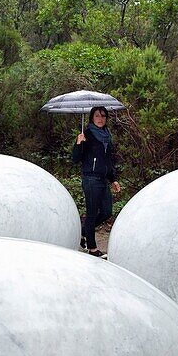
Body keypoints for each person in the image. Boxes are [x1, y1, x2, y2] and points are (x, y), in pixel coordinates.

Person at [71, 106, 121, 257]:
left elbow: (108, 160)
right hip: (91, 179)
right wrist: (79, 143)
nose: (100, 119)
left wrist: (113, 179)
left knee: (106, 212)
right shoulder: (87, 134)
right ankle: (92, 249)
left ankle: (83, 232)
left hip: (103, 179)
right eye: (97, 116)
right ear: (92, 118)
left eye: (103, 116)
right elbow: (75, 159)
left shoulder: (107, 135)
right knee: (92, 214)